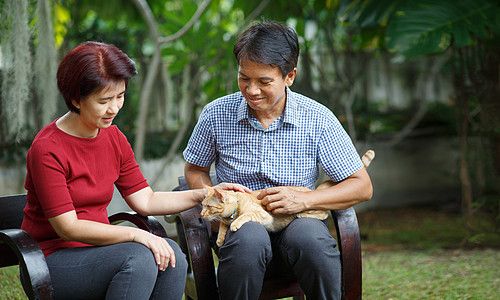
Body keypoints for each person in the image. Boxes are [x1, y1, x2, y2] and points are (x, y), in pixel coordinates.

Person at [21, 41, 250, 300]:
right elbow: (68, 228)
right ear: (76, 98)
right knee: (139, 258)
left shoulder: (113, 138)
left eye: (120, 96)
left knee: (172, 257)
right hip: (50, 262)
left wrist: (205, 193)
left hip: (101, 252)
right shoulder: (47, 148)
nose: (115, 108)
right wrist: (136, 234)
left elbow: (147, 199)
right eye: (104, 100)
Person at [183, 21, 373, 300]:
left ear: (289, 76)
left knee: (311, 239)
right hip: (239, 229)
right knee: (249, 239)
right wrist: (214, 196)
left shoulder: (317, 119)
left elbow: (362, 187)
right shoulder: (216, 114)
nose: (252, 90)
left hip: (296, 225)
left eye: (264, 81)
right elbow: (194, 169)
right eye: (244, 78)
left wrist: (305, 201)